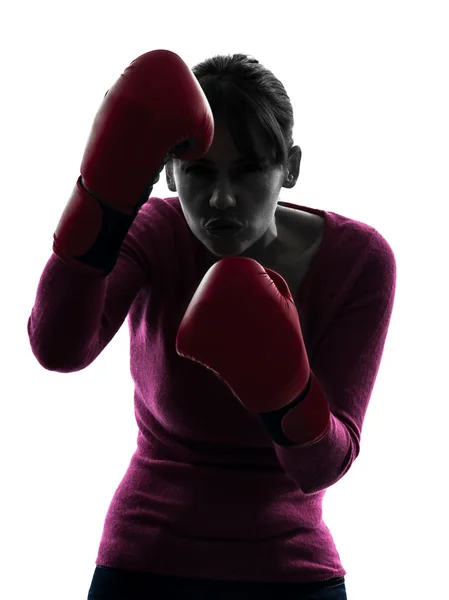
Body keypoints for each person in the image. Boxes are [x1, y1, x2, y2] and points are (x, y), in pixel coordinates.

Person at [27, 50, 396, 599]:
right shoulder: (153, 231)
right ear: (171, 173)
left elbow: (322, 465)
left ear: (290, 167)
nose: (222, 199)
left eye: (249, 170)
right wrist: (102, 202)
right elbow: (58, 348)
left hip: (291, 570)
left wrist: (285, 391)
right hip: (145, 560)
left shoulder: (358, 261)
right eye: (199, 172)